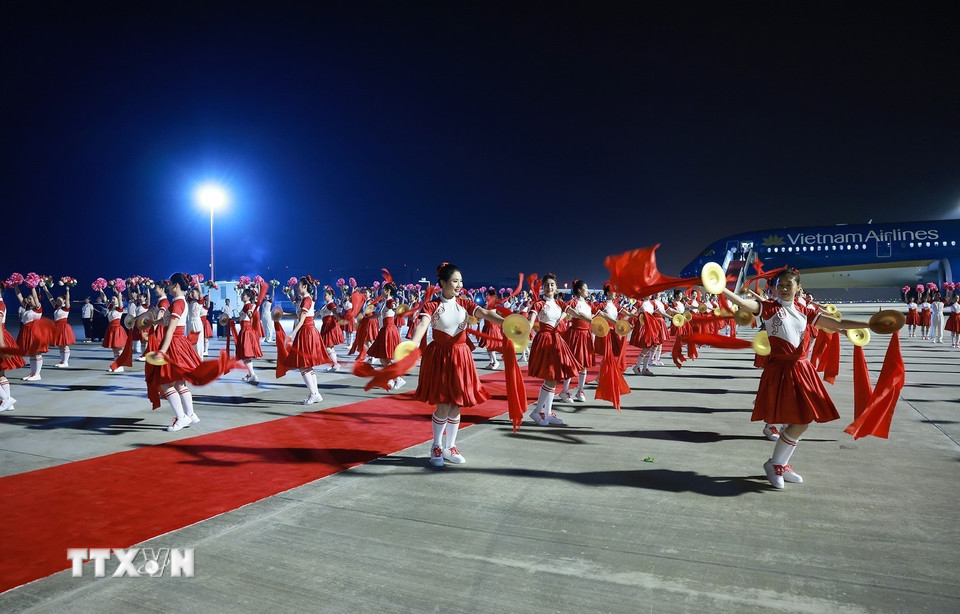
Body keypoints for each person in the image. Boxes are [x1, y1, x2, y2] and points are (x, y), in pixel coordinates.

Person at [722, 269, 872, 489]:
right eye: (779, 285)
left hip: (802, 370)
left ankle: (779, 463)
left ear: (798, 288)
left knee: (801, 421)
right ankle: (776, 465)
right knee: (798, 420)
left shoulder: (805, 309)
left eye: (787, 285)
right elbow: (747, 305)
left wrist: (870, 324)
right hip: (781, 371)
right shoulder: (770, 308)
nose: (782, 289)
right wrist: (722, 289)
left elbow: (837, 325)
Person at [408, 262, 506, 466]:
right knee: (443, 405)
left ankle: (450, 447)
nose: (459, 285)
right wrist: (413, 344)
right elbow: (423, 324)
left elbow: (487, 314)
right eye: (455, 281)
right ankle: (436, 445)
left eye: (461, 281)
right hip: (440, 357)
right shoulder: (432, 305)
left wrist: (508, 322)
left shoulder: (466, 304)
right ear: (443, 283)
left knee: (456, 405)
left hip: (461, 357)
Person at [526, 274, 582, 426]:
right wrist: (521, 331)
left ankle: (547, 413)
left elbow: (575, 314)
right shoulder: (538, 304)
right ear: (542, 287)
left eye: (552, 285)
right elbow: (530, 323)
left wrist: (593, 321)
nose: (549, 287)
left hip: (556, 341)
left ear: (556, 287)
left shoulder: (559, 303)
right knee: (550, 377)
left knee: (554, 378)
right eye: (546, 285)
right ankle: (537, 412)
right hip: (545, 341)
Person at [151, 273, 202, 432]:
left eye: (170, 283)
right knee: (179, 382)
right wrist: (153, 322)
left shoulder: (177, 304)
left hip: (174, 344)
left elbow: (171, 330)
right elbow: (167, 321)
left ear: (176, 285)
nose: (168, 286)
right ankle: (191, 414)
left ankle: (181, 418)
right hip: (178, 343)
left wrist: (161, 351)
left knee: (165, 382)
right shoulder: (179, 302)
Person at [282, 276, 328, 404]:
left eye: (299, 285)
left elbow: (302, 320)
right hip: (307, 332)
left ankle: (314, 393)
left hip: (307, 332)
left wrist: (291, 334)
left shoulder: (306, 300)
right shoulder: (305, 300)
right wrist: (283, 314)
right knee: (307, 366)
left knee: (303, 366)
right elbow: (298, 316)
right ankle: (316, 393)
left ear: (305, 286)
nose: (297, 288)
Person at [558, 280, 595, 402]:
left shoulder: (589, 304)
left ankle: (580, 390)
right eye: (586, 288)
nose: (588, 291)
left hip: (586, 335)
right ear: (579, 290)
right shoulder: (572, 303)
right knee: (572, 363)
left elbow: (593, 317)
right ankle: (564, 391)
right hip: (576, 335)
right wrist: (558, 322)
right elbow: (564, 312)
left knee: (584, 364)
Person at [42, 284, 75, 367]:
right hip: (56, 327)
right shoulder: (57, 307)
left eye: (60, 300)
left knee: (64, 345)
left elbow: (68, 299)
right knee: (60, 345)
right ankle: (62, 361)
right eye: (57, 300)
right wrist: (46, 290)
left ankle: (65, 361)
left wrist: (67, 290)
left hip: (63, 327)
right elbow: (50, 299)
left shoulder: (66, 307)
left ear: (63, 301)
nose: (57, 301)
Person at [235, 287, 263, 384]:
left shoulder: (248, 306)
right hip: (245, 330)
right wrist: (232, 319)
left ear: (248, 297)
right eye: (242, 295)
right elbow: (243, 317)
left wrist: (250, 326)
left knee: (245, 355)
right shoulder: (246, 305)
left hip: (246, 331)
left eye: (244, 295)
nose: (242, 296)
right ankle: (250, 374)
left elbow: (250, 316)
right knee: (245, 355)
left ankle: (253, 375)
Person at [317, 286, 344, 372]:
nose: (324, 297)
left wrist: (338, 317)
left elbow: (334, 311)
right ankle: (334, 364)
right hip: (325, 326)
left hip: (330, 327)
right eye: (324, 295)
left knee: (327, 347)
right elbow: (317, 313)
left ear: (330, 295)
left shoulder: (331, 304)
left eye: (326, 295)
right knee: (329, 347)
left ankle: (335, 364)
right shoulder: (325, 305)